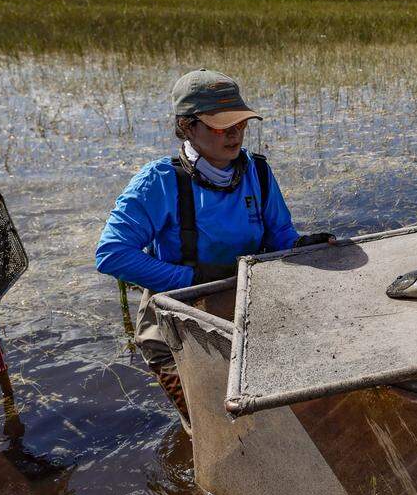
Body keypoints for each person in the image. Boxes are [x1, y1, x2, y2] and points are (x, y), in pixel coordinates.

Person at [96, 69, 332, 428]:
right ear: (187, 127)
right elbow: (111, 253)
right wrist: (190, 276)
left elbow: (280, 234)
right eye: (221, 127)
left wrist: (301, 247)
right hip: (173, 325)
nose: (234, 134)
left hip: (241, 308)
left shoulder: (259, 173)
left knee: (266, 419)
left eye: (239, 123)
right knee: (212, 427)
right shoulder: (158, 182)